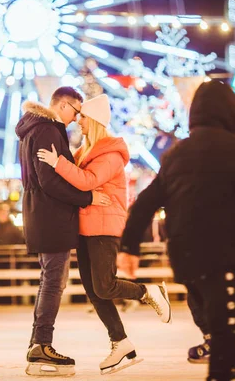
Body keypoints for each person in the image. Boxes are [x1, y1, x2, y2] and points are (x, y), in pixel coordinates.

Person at [119, 80, 235, 381]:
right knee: (227, 325)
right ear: (226, 114)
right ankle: (223, 373)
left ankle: (222, 366)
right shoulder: (229, 148)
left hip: (183, 253)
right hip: (218, 250)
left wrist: (129, 247)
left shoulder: (177, 153)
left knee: (212, 316)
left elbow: (146, 202)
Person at [37, 94, 171, 375]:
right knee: (95, 291)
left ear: (94, 120)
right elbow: (76, 181)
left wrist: (56, 162)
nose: (78, 121)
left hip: (104, 227)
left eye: (82, 117)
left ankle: (149, 292)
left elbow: (87, 180)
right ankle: (121, 343)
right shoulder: (85, 150)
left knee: (105, 286)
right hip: (86, 227)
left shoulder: (110, 153)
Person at [15, 86, 111, 377]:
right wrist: (87, 198)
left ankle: (38, 343)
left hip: (40, 213)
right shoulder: (48, 130)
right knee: (54, 281)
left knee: (50, 279)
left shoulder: (32, 130)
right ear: (64, 105)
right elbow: (50, 180)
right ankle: (42, 344)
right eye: (77, 112)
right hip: (51, 215)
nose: (77, 119)